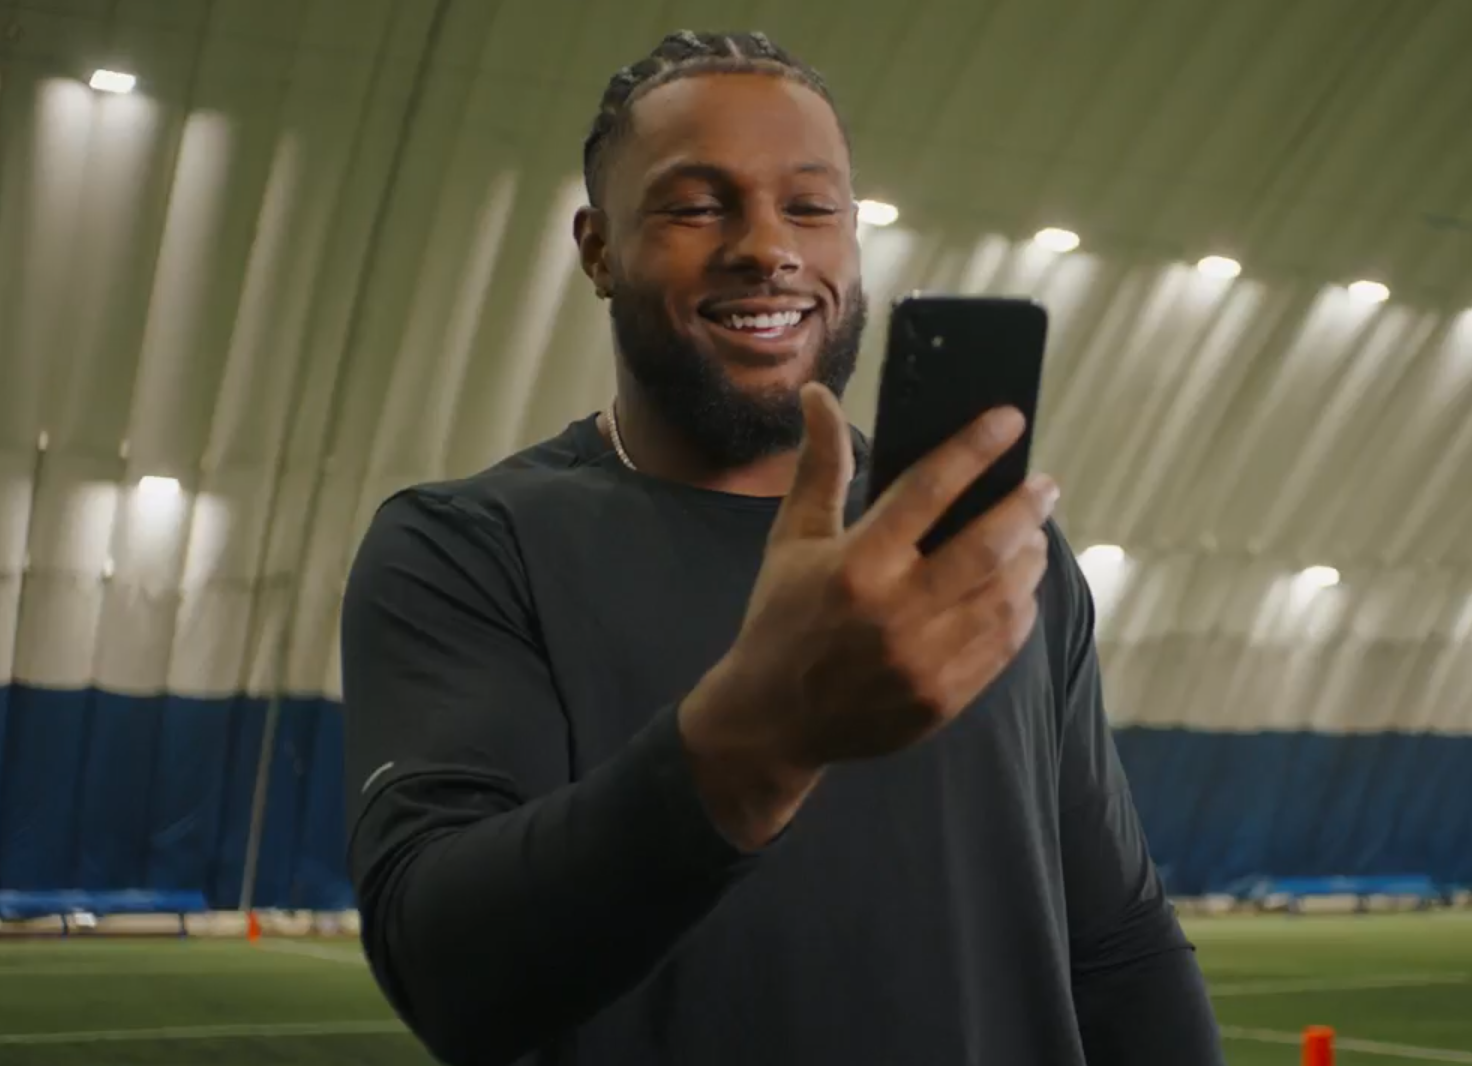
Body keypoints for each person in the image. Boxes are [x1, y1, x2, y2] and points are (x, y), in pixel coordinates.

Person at [340, 29, 1224, 1066]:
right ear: (597, 249)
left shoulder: (981, 554)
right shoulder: (465, 547)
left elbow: (1115, 941)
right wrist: (758, 735)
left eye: (810, 206)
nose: (767, 246)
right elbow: (447, 964)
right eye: (695, 204)